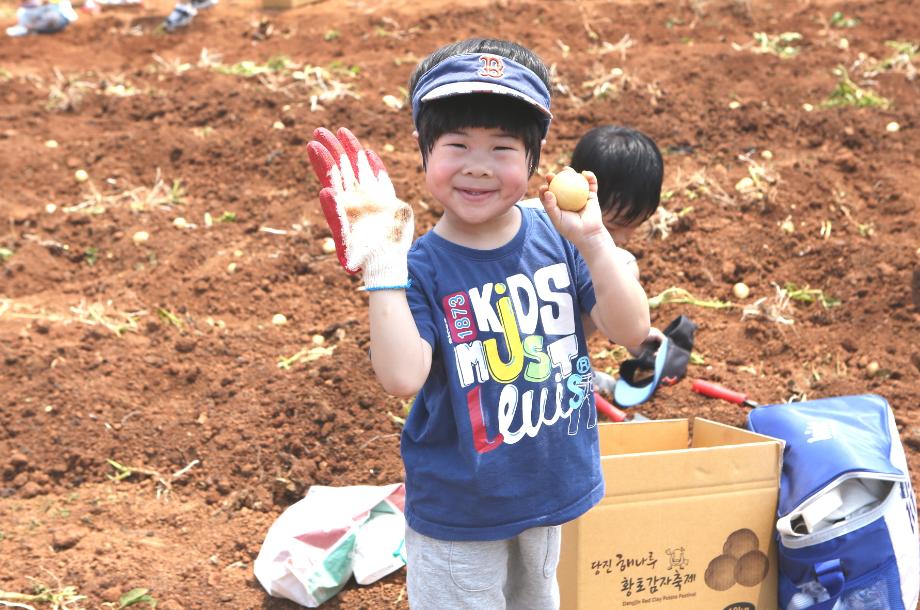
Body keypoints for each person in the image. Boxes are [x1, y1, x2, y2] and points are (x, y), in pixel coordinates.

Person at [307, 38, 650, 610]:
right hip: (460, 509)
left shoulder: (557, 236)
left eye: (502, 147)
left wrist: (593, 239)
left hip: (547, 491)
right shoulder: (421, 265)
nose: (477, 165)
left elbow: (631, 329)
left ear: (535, 159)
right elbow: (401, 376)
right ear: (424, 151)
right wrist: (385, 270)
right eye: (457, 144)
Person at [5, 0, 77, 37]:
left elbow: (56, 15)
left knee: (52, 17)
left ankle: (31, 29)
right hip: (39, 13)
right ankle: (30, 29)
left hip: (58, 15)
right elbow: (26, 8)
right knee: (23, 14)